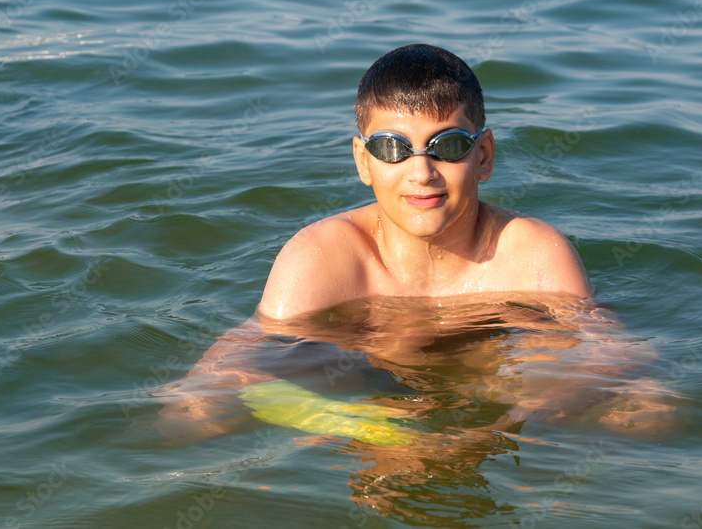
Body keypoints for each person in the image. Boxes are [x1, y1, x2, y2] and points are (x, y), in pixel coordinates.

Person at [157, 44, 673, 452]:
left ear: (484, 156)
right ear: (363, 162)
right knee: (198, 420)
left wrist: (527, 412)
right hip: (371, 406)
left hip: (498, 408)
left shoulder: (530, 253)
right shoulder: (325, 257)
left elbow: (618, 357)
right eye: (392, 148)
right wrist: (362, 426)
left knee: (653, 414)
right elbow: (207, 393)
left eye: (447, 146)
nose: (421, 172)